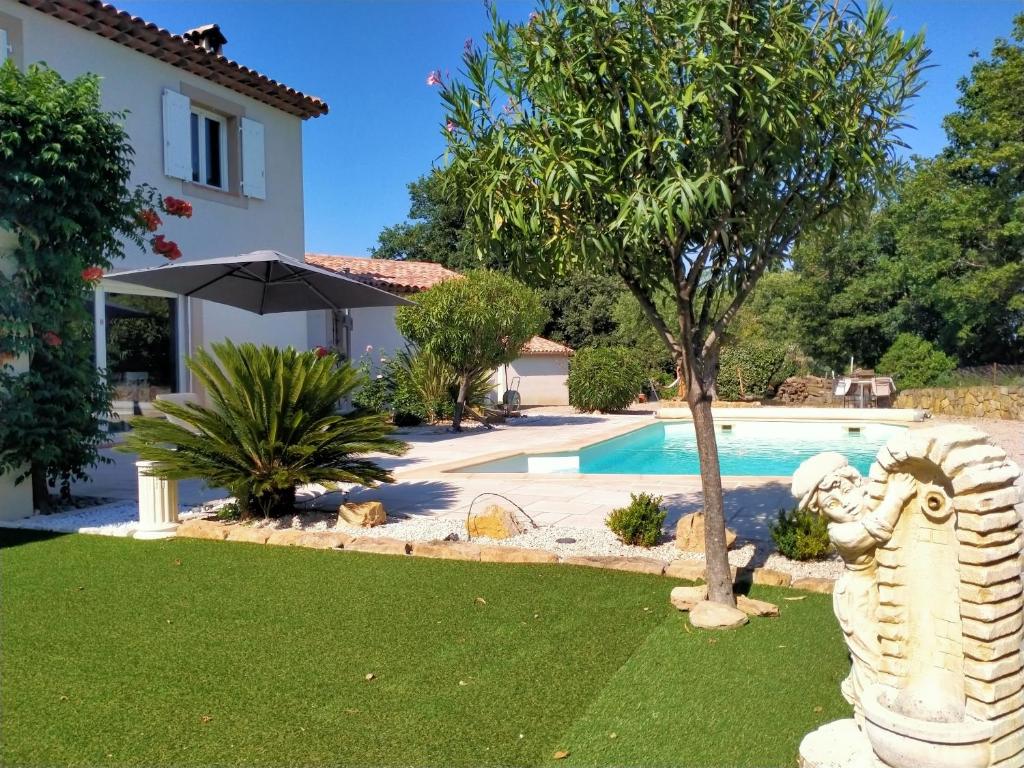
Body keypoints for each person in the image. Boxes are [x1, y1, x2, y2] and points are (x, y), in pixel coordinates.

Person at [791, 453, 916, 720]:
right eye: (832, 504)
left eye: (847, 491)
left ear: (858, 483)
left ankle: (857, 688)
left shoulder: (868, 502)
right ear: (823, 513)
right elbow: (877, 528)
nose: (845, 505)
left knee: (881, 646)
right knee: (870, 653)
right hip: (859, 596)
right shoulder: (841, 532)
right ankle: (866, 710)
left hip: (876, 588)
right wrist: (897, 496)